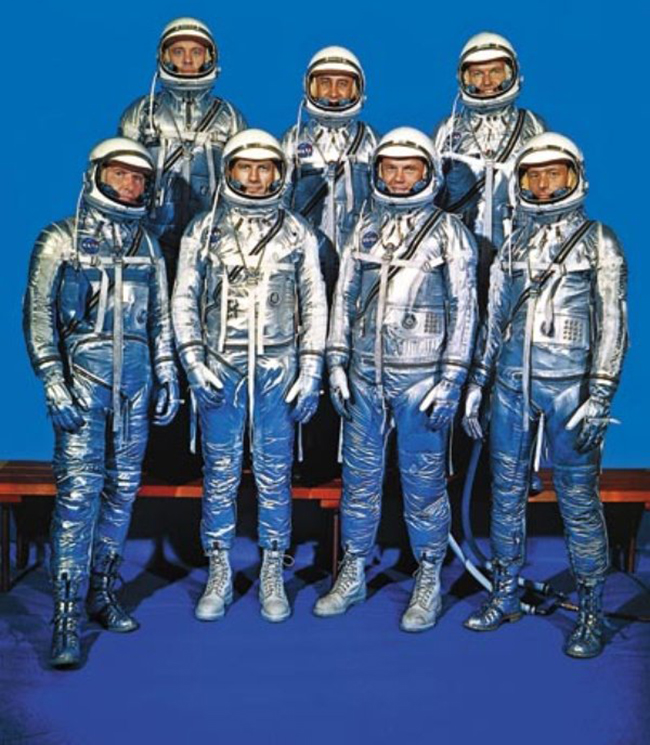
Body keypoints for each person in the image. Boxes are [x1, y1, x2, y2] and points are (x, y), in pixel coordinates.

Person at [462, 132, 628, 658]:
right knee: (505, 493)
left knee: (578, 498)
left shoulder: (599, 241)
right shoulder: (513, 246)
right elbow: (494, 322)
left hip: (570, 388)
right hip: (512, 383)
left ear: (574, 176)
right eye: (533, 175)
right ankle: (505, 592)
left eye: (553, 174)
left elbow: (613, 323)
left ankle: (591, 608)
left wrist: (601, 393)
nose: (541, 184)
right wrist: (478, 384)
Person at [313, 128, 478, 632]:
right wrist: (336, 362)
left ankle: (428, 576)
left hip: (421, 380)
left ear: (428, 174)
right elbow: (343, 299)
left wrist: (451, 380)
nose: (399, 178)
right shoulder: (365, 226)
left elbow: (465, 310)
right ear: (378, 172)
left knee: (423, 483)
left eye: (410, 169)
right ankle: (354, 570)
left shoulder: (449, 233)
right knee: (359, 483)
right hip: (365, 375)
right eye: (390, 168)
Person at [23, 138, 179, 668]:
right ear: (96, 175)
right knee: (78, 496)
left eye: (139, 178)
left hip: (134, 386)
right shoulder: (60, 239)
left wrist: (165, 373)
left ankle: (102, 590)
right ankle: (65, 614)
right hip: (82, 384)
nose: (130, 185)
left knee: (122, 493)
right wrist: (52, 379)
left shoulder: (147, 245)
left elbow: (159, 318)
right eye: (120, 174)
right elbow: (38, 315)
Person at [172, 129, 327, 623]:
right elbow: (184, 298)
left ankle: (272, 570)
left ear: (280, 174)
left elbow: (315, 303)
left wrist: (311, 369)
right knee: (219, 473)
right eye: (246, 167)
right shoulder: (205, 229)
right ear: (230, 170)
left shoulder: (296, 231)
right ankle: (219, 569)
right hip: (221, 364)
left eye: (265, 169)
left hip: (277, 366)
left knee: (273, 474)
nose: (255, 178)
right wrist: (193, 361)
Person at [119, 16, 247, 277]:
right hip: (152, 233)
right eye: (178, 52)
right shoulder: (143, 113)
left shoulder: (229, 117)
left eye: (196, 52)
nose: (187, 60)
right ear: (164, 57)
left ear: (210, 58)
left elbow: (245, 183)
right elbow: (120, 177)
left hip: (212, 239)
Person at [433, 32, 545, 292]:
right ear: (463, 78)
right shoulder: (448, 130)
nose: (486, 82)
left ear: (511, 73)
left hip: (514, 245)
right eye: (477, 74)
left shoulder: (532, 126)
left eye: (495, 71)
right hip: (459, 247)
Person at [282, 45, 378, 294]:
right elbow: (278, 204)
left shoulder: (371, 141)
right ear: (310, 87)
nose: (333, 93)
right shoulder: (293, 140)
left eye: (343, 84)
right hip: (307, 254)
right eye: (325, 83)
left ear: (357, 89)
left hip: (357, 253)